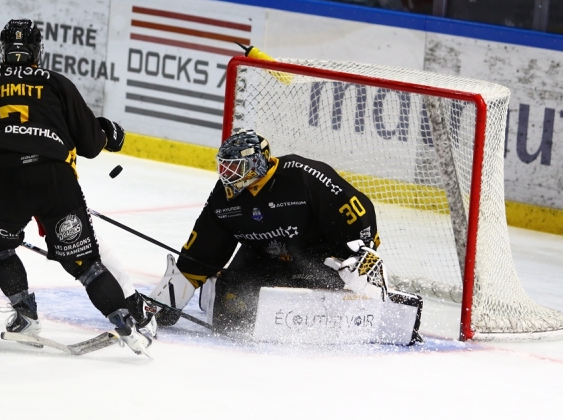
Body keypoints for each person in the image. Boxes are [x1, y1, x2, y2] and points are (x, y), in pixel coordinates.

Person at [0, 19, 155, 355]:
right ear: (37, 51)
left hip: (5, 179)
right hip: (56, 181)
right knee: (87, 264)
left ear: (4, 49)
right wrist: (106, 133)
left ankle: (25, 314)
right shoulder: (56, 82)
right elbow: (90, 144)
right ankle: (126, 325)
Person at [149, 128, 395, 333]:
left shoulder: (302, 175)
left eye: (235, 168)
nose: (227, 175)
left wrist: (363, 251)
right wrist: (167, 301)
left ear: (256, 163)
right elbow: (204, 246)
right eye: (224, 168)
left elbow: (354, 206)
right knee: (231, 310)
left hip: (317, 257)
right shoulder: (224, 198)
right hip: (264, 257)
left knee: (346, 281)